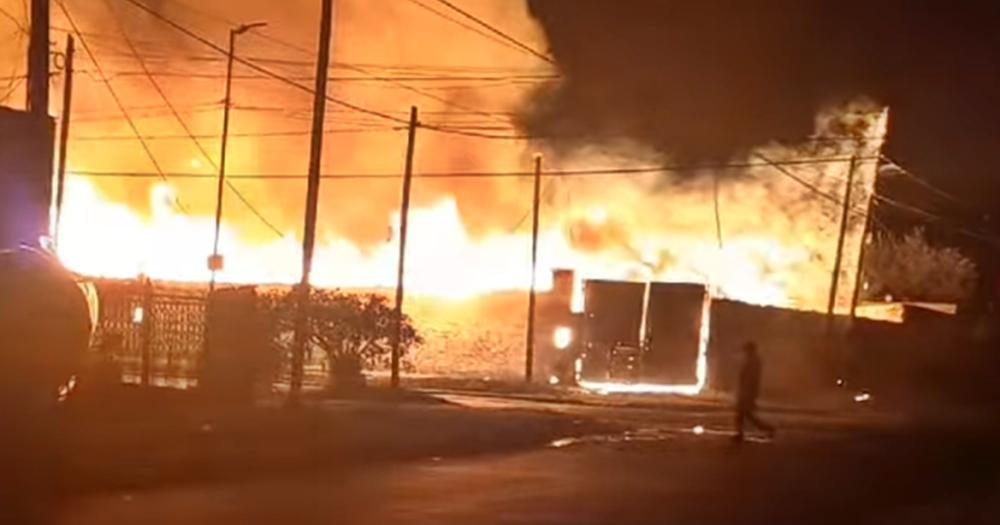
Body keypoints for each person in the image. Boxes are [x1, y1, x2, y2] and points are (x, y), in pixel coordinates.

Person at [734, 341, 776, 442]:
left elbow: (750, 379)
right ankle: (741, 433)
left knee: (744, 415)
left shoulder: (753, 362)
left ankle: (767, 429)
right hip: (747, 392)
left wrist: (746, 393)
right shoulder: (753, 361)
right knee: (746, 415)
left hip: (747, 393)